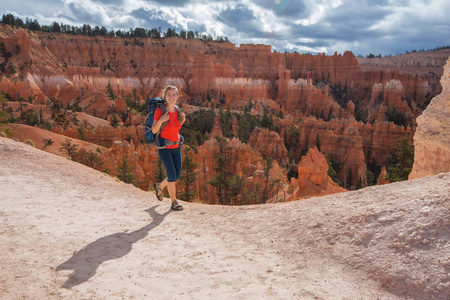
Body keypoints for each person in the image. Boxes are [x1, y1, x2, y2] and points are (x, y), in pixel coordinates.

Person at [152, 85, 186, 211]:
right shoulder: (160, 111)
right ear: (165, 96)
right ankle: (173, 201)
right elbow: (155, 130)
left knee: (176, 175)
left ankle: (159, 187)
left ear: (177, 97)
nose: (171, 97)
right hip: (164, 147)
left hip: (176, 146)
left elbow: (175, 129)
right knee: (171, 175)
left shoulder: (177, 110)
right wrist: (161, 120)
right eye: (169, 95)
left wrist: (182, 121)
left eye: (174, 95)